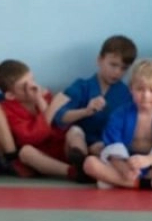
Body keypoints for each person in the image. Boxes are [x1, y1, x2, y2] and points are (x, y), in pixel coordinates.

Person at [84, 59, 152, 189]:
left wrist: (148, 160)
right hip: (126, 163)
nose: (145, 95)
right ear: (131, 89)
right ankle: (145, 184)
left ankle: (120, 182)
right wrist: (124, 168)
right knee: (89, 163)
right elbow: (111, 145)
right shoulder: (119, 114)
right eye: (140, 89)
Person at [48, 35, 137, 178]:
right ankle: (81, 162)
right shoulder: (82, 86)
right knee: (75, 132)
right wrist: (86, 111)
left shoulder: (127, 94)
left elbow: (128, 128)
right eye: (113, 65)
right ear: (99, 60)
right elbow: (60, 117)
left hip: (105, 147)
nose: (117, 72)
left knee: (113, 148)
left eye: (123, 68)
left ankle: (91, 167)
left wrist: (105, 144)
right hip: (77, 145)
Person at [0, 59, 77, 180]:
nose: (33, 87)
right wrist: (51, 107)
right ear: (11, 95)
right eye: (24, 87)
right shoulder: (8, 109)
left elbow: (58, 125)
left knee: (75, 131)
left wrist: (40, 101)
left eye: (32, 80)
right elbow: (31, 137)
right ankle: (72, 172)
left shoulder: (45, 96)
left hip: (61, 146)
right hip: (41, 154)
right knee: (25, 152)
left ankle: (82, 161)